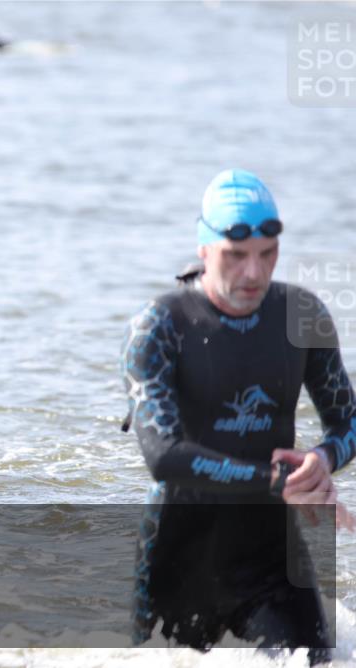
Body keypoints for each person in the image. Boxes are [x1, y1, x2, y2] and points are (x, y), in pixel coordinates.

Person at [120, 169, 355, 664]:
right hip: (181, 555)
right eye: (236, 255)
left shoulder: (302, 316)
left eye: (267, 254)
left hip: (271, 559)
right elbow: (163, 457)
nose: (253, 272)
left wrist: (321, 457)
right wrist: (278, 480)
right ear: (205, 249)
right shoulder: (160, 326)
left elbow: (348, 422)